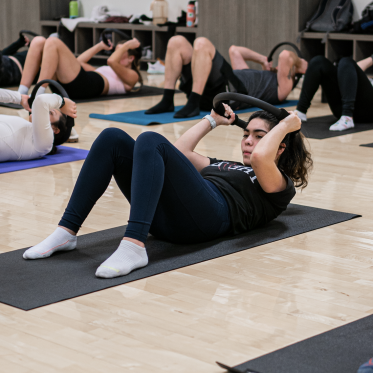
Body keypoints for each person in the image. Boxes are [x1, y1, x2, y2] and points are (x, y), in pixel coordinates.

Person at [23, 105, 312, 279]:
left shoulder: (279, 185)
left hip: (211, 218)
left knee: (151, 139)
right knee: (113, 138)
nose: (249, 141)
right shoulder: (225, 164)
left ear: (279, 146)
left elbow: (262, 157)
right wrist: (211, 120)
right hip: (172, 219)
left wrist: (287, 124)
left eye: (258, 136)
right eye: (246, 134)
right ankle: (67, 231)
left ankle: (134, 246)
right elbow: (179, 153)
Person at [145, 36, 308, 118]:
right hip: (212, 86)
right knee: (176, 41)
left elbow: (286, 55)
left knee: (201, 43)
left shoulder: (282, 87)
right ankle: (167, 100)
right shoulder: (250, 73)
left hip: (228, 96)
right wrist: (262, 60)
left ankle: (193, 102)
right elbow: (234, 50)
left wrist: (298, 64)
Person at [18, 37, 143, 100]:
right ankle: (21, 93)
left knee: (53, 42)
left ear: (131, 58)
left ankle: (37, 95)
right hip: (77, 83)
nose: (117, 53)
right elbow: (78, 62)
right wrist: (99, 46)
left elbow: (111, 60)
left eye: (121, 52)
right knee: (38, 41)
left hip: (84, 88)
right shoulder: (106, 70)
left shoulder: (133, 76)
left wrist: (126, 45)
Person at [294, 55, 373, 131]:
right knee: (318, 61)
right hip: (342, 108)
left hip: (368, 111)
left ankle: (347, 118)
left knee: (346, 61)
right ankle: (300, 111)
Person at [0, 88, 77, 162]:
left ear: (55, 129)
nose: (44, 112)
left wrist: (62, 102)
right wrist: (20, 98)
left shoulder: (44, 145)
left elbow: (41, 101)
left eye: (51, 112)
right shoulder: (25, 125)